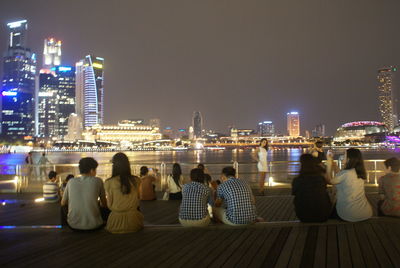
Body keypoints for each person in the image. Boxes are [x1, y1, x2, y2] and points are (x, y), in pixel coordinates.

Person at [61, 157, 109, 231]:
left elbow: (63, 203)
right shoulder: (98, 181)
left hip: (73, 225)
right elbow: (104, 203)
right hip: (95, 225)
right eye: (95, 170)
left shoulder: (71, 181)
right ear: (92, 170)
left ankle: (65, 225)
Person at [326, 148, 372, 222]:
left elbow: (329, 181)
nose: (342, 156)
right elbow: (340, 174)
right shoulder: (358, 172)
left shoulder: (346, 173)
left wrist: (328, 163)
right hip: (365, 213)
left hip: (349, 214)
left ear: (349, 159)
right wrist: (332, 161)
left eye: (344, 155)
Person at [104, 153, 144, 233]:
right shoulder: (136, 180)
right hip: (134, 222)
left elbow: (109, 204)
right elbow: (139, 198)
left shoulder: (109, 182)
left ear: (114, 166)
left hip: (115, 223)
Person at [292, 154, 332, 222]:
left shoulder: (297, 180)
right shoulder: (320, 178)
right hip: (323, 215)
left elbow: (295, 194)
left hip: (303, 217)